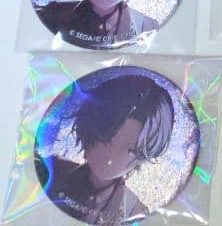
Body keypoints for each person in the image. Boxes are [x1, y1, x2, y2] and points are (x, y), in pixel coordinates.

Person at [36, 73, 174, 224]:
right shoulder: (52, 169)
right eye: (105, 137)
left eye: (131, 150)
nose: (110, 157)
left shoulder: (133, 210)